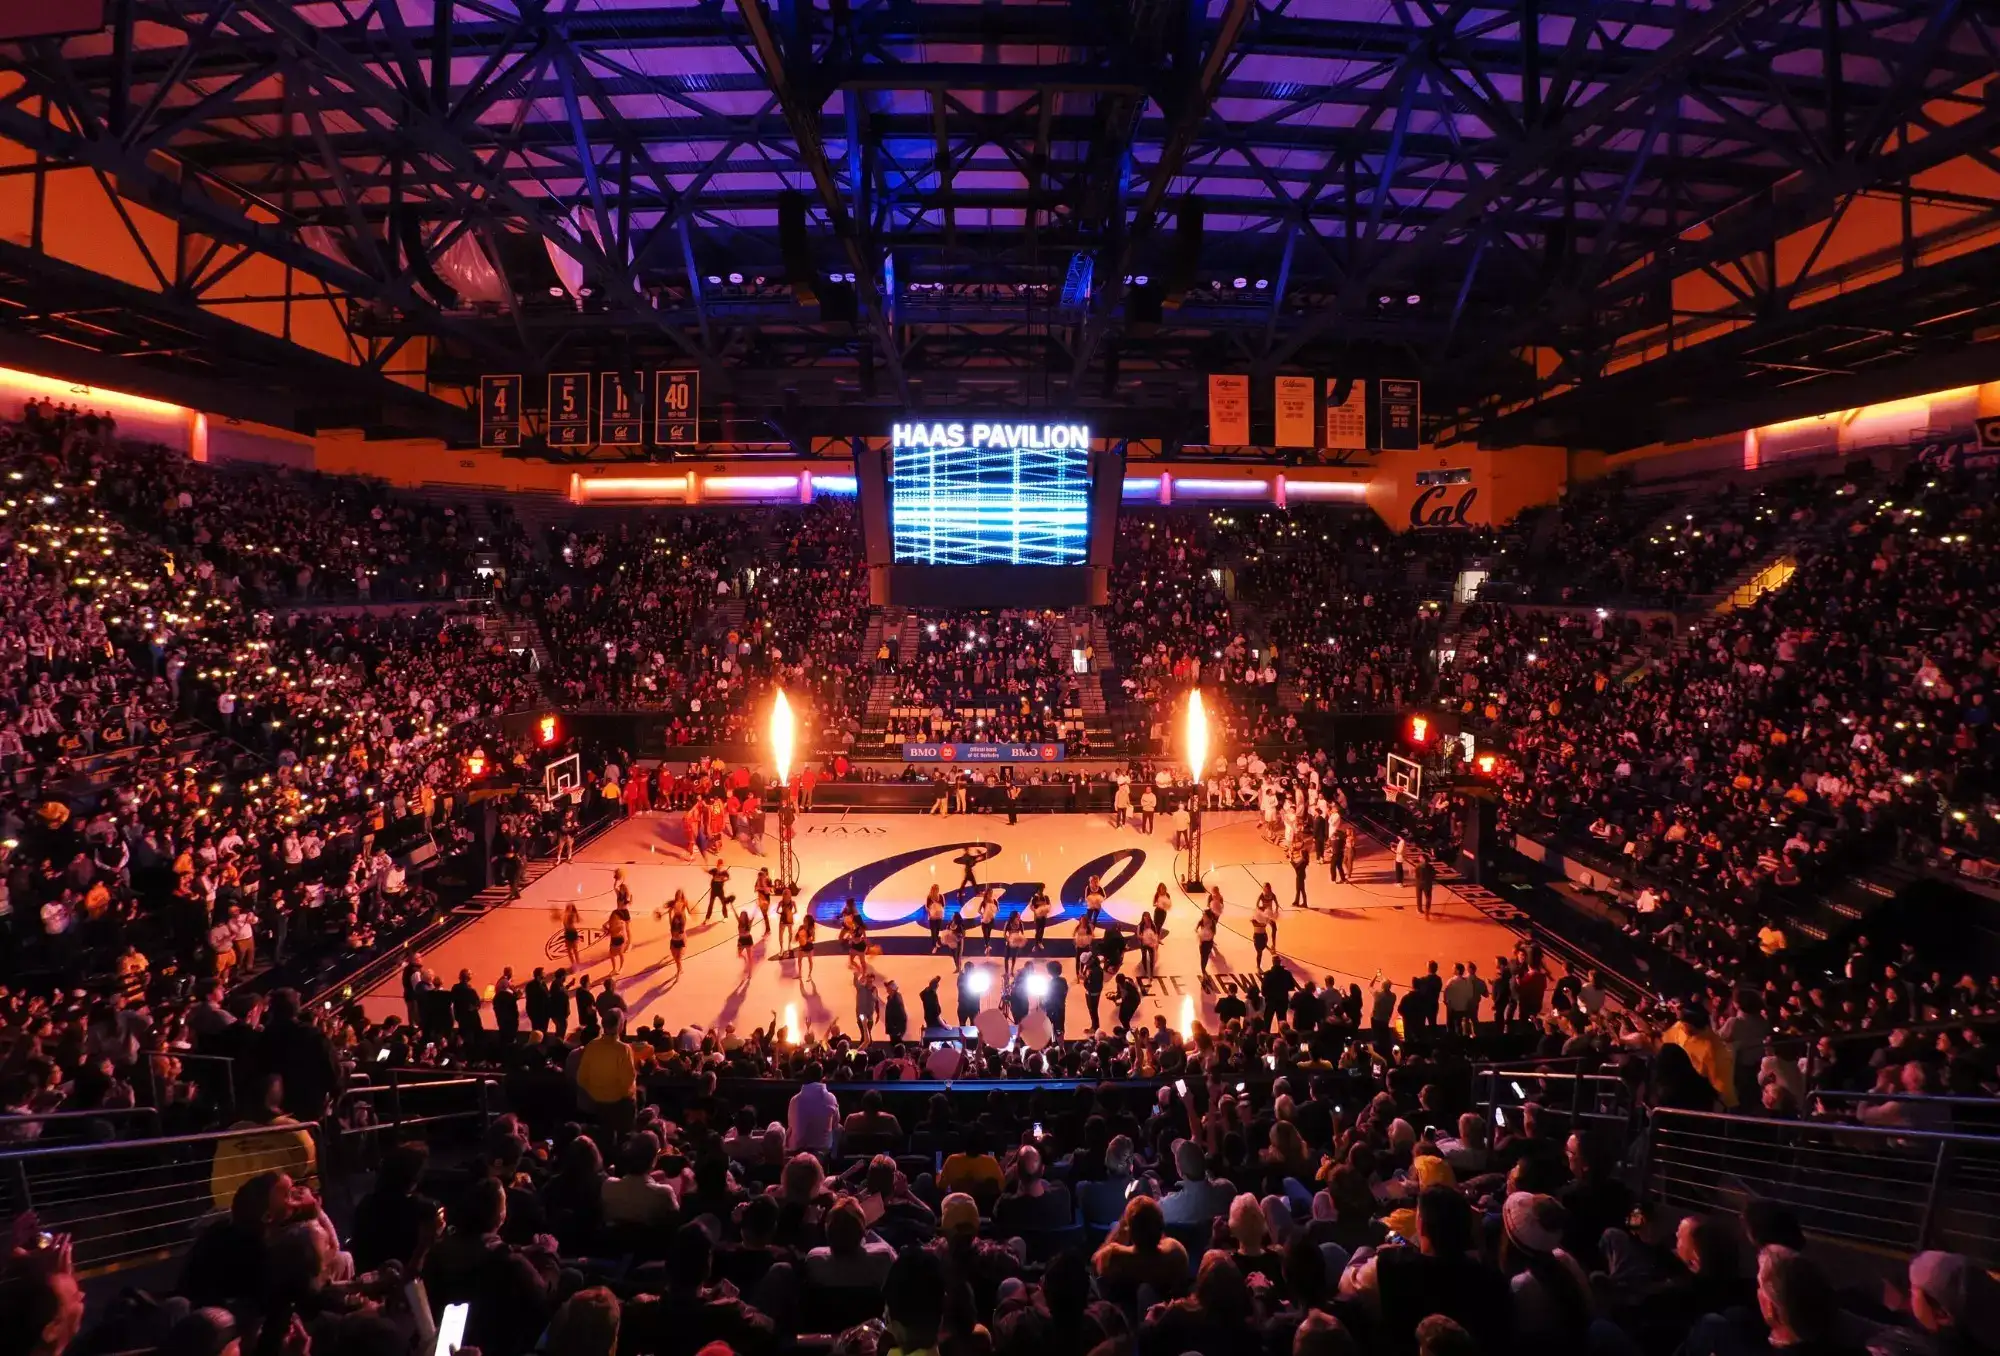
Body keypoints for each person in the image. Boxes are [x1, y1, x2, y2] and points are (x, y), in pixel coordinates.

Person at [574, 1011, 638, 1137]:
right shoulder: (623, 1049)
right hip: (619, 1104)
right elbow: (628, 1082)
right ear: (620, 1026)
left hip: (597, 1102)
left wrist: (597, 1092)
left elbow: (581, 1078)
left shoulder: (592, 1045)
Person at [1415, 852, 1437, 917]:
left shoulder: (1418, 866)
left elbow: (1417, 876)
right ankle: (1427, 910)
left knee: (1419, 897)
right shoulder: (1431, 867)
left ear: (1424, 859)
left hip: (1419, 884)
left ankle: (1419, 910)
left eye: (1420, 857)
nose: (1418, 858)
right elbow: (1433, 875)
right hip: (1427, 884)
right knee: (1428, 898)